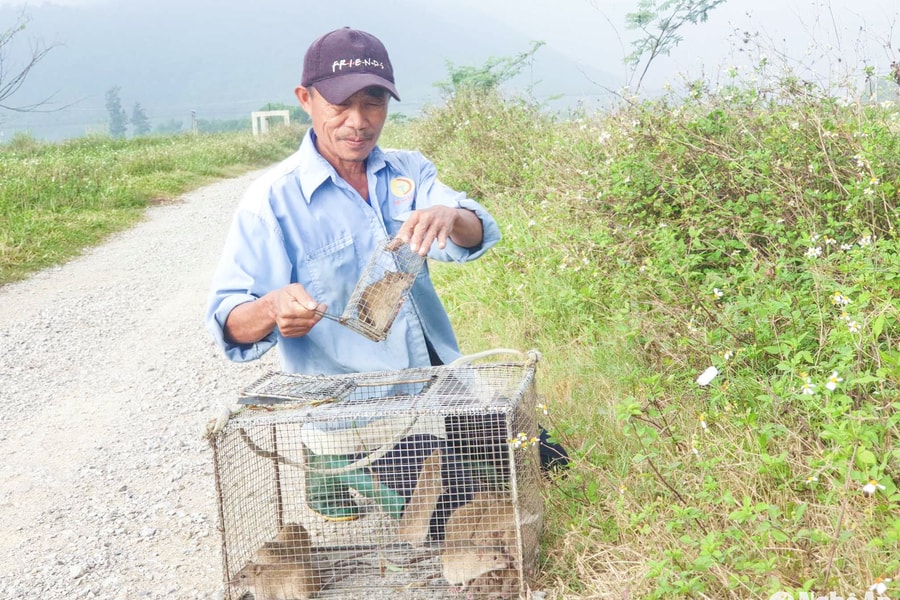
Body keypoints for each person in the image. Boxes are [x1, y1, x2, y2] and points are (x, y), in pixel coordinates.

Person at [205, 27, 565, 525]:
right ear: (305, 100)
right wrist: (271, 309)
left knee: (547, 463)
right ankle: (329, 462)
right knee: (457, 514)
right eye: (340, 105)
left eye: (373, 102)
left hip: (440, 382)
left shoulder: (408, 172)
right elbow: (228, 323)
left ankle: (439, 454)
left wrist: (449, 216)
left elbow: (476, 229)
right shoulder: (270, 203)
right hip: (357, 410)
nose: (358, 122)